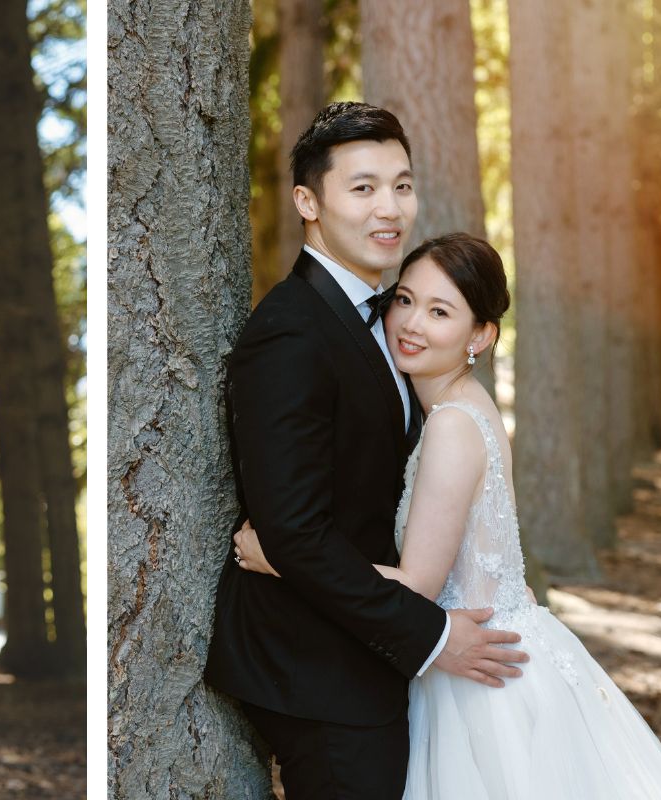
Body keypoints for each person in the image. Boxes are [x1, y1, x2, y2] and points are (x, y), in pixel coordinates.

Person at [235, 232, 661, 799]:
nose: (411, 324)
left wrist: (282, 554)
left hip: (478, 674)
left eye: (439, 312)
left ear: (480, 335)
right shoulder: (459, 410)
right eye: (404, 300)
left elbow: (419, 586)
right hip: (485, 646)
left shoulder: (453, 426)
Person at [203, 102, 528, 800]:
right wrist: (435, 635)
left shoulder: (393, 320)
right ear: (307, 202)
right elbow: (292, 529)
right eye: (362, 187)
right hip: (319, 673)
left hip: (372, 656)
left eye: (402, 186)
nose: (390, 208)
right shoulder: (292, 332)